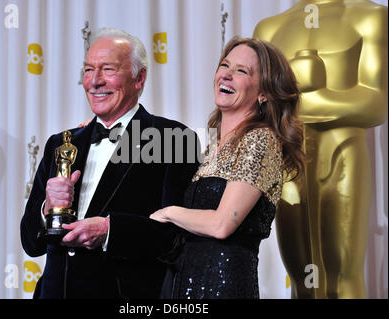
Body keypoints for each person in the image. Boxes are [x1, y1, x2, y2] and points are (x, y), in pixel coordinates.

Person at [21, 28, 199, 299]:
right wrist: (48, 208)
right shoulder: (60, 144)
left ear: (139, 78)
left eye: (108, 69)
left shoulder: (173, 139)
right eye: (89, 70)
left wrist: (110, 231)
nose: (95, 81)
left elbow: (176, 239)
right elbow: (30, 243)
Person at [146, 37, 304, 298]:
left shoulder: (260, 141)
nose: (227, 75)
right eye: (225, 66)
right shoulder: (210, 148)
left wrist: (169, 213)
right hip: (182, 288)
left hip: (223, 288)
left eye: (242, 71)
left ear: (263, 93)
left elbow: (222, 224)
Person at [253, 0, 387, 298]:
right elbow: (259, 105)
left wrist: (296, 101)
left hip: (341, 155)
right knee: (301, 275)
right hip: (287, 163)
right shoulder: (270, 28)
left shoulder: (369, 16)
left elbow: (375, 103)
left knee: (341, 273)